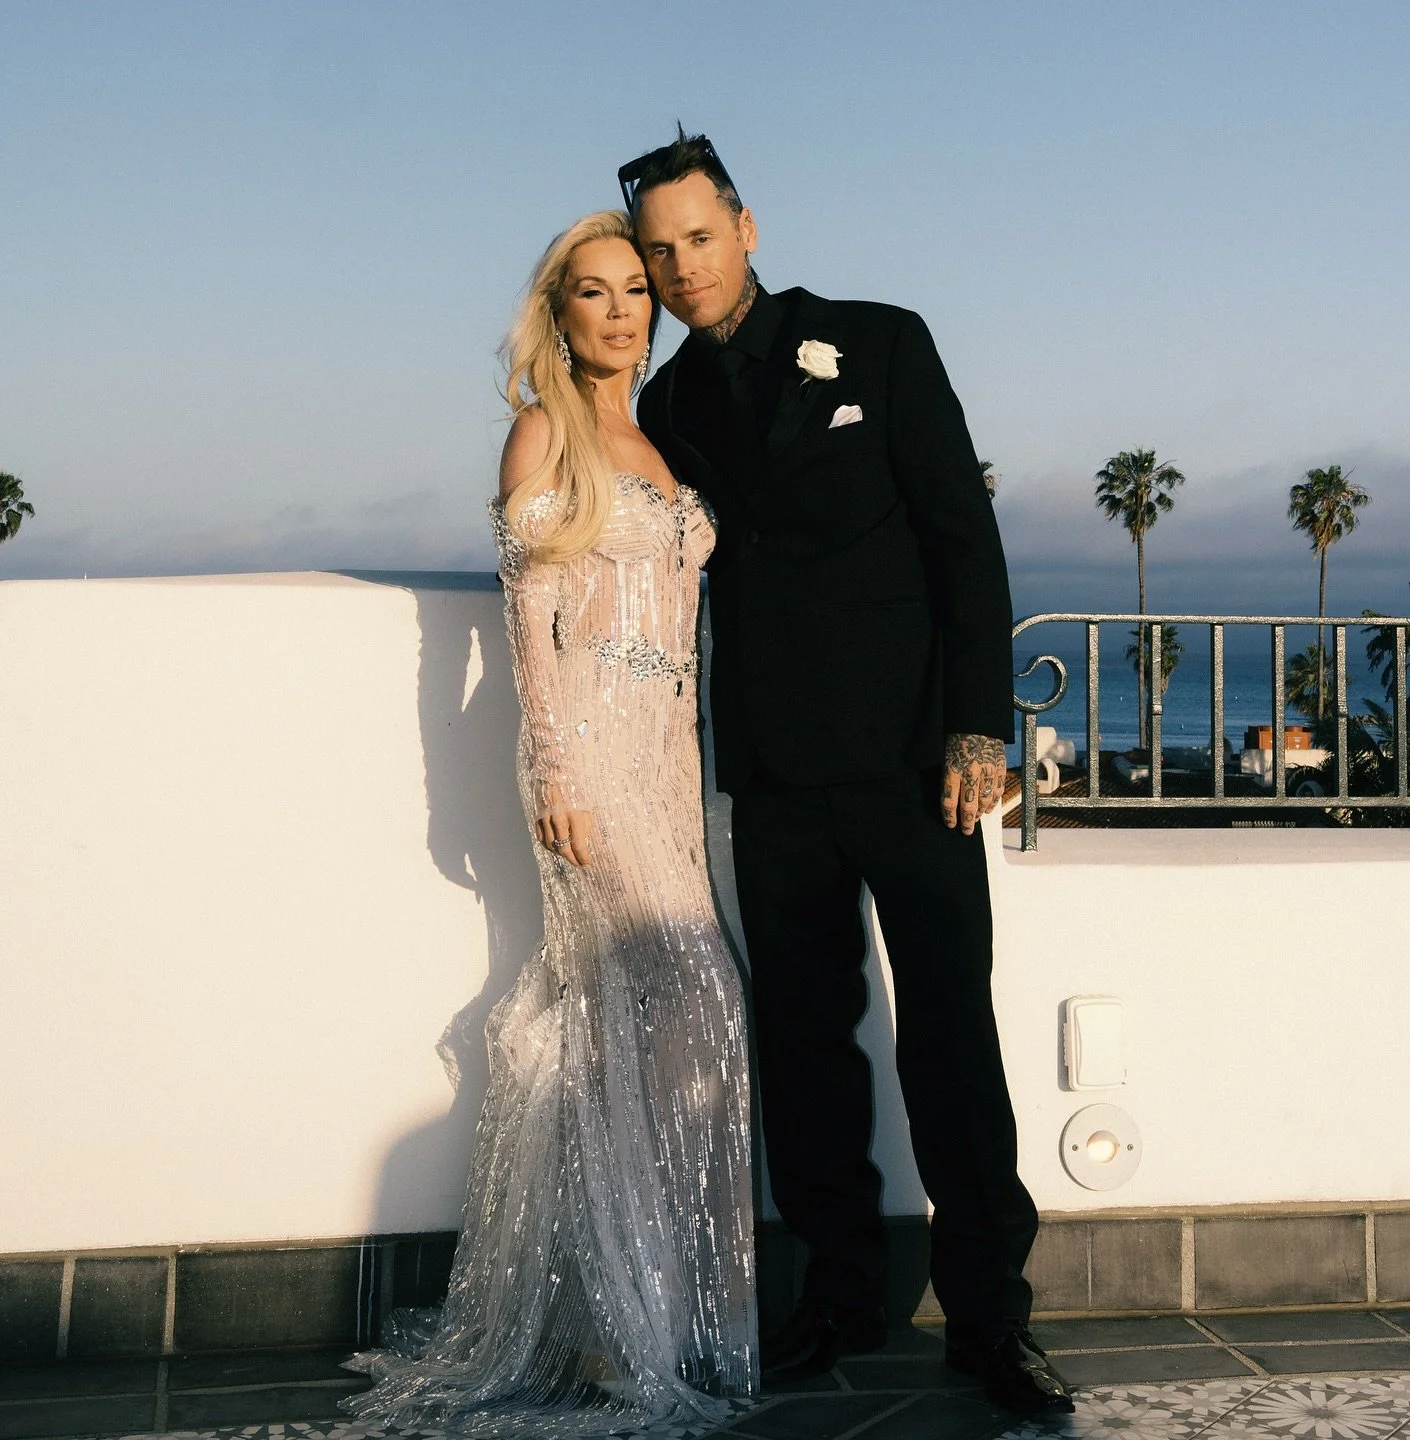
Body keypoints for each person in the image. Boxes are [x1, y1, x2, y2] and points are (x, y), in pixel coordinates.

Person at [624, 131, 1074, 1417]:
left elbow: (961, 538)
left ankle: (990, 1320)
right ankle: (835, 1298)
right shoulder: (667, 407)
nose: (682, 266)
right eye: (659, 251)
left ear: (746, 228)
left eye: (699, 237)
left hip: (915, 765)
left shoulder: (878, 342)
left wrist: (976, 729)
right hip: (773, 775)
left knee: (950, 1036)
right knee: (805, 1045)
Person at [342, 210, 757, 1438]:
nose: (623, 310)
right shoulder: (544, 429)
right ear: (559, 313)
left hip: (669, 756)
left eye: (637, 289)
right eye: (595, 291)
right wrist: (563, 776)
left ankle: (629, 1317)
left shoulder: (661, 435)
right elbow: (527, 621)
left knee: (645, 1033)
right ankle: (620, 1321)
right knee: (688, 1002)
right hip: (588, 756)